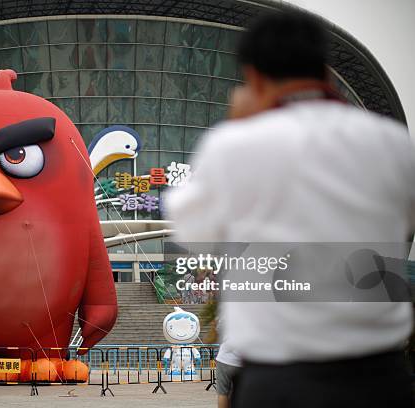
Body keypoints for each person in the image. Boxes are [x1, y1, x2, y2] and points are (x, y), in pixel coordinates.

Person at [167, 10, 413, 408]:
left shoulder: (236, 145)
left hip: (279, 379)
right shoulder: (393, 143)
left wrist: (240, 123)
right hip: (379, 378)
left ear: (254, 77)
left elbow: (193, 232)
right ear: (326, 70)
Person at [215, 318, 242, 408]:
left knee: (223, 393)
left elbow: (219, 328)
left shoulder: (231, 310)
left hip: (225, 358)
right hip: (244, 360)